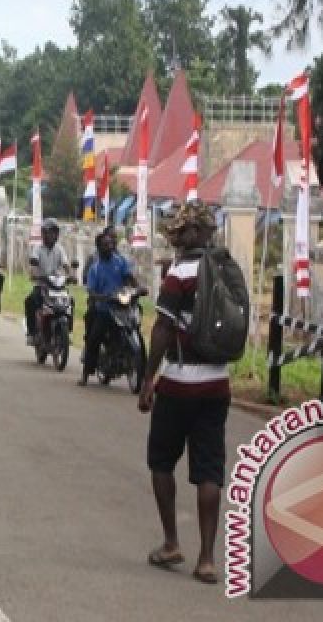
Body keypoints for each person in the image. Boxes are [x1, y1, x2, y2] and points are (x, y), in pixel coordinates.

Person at [138, 202, 229, 586]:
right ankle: (207, 559)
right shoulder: (226, 271)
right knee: (209, 469)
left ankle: (172, 542)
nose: (176, 238)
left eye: (181, 232)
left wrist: (147, 379)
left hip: (178, 383)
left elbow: (162, 328)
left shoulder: (179, 273)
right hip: (217, 384)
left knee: (161, 460)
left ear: (194, 234)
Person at [80, 228, 137, 386]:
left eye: (111, 244)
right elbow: (91, 291)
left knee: (135, 324)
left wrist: (138, 288)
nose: (110, 247)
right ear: (99, 247)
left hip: (122, 306)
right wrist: (101, 297)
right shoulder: (95, 268)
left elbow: (129, 277)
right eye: (105, 245)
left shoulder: (120, 261)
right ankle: (85, 373)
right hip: (105, 310)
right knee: (94, 338)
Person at [24, 218, 72, 346]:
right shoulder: (37, 248)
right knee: (30, 301)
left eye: (54, 232)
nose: (52, 235)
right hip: (42, 284)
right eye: (49, 232)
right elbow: (33, 264)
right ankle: (32, 333)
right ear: (43, 234)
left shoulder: (59, 249)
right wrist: (34, 273)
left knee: (70, 301)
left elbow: (66, 265)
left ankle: (68, 332)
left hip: (58, 286)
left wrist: (71, 275)